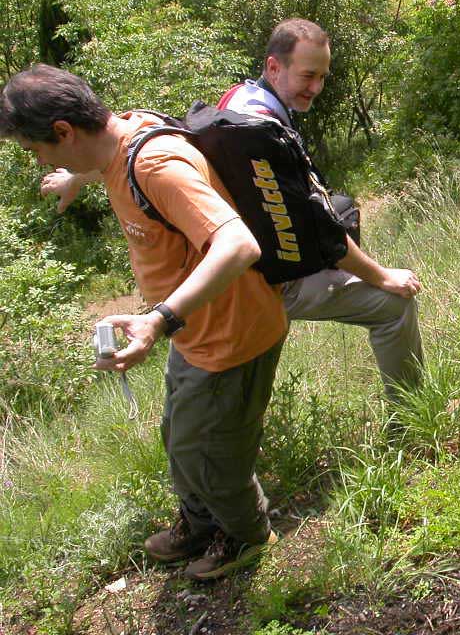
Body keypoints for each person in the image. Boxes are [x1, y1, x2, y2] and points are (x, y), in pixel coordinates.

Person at [39, 18, 424, 404]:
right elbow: (322, 230)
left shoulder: (236, 106)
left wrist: (77, 177)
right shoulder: (262, 134)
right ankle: (411, 415)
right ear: (274, 67)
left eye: (322, 76)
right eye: (308, 75)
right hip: (268, 280)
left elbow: (158, 146)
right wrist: (382, 276)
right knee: (394, 305)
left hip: (229, 281)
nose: (317, 88)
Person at [1, 65, 287, 580]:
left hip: (231, 334)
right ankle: (200, 524)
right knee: (179, 438)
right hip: (194, 331)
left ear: (64, 130)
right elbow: (109, 162)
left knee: (214, 455)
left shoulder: (155, 164)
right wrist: (76, 177)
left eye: (35, 149)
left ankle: (247, 535)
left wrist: (158, 320)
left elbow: (239, 245)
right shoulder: (122, 141)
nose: (38, 159)